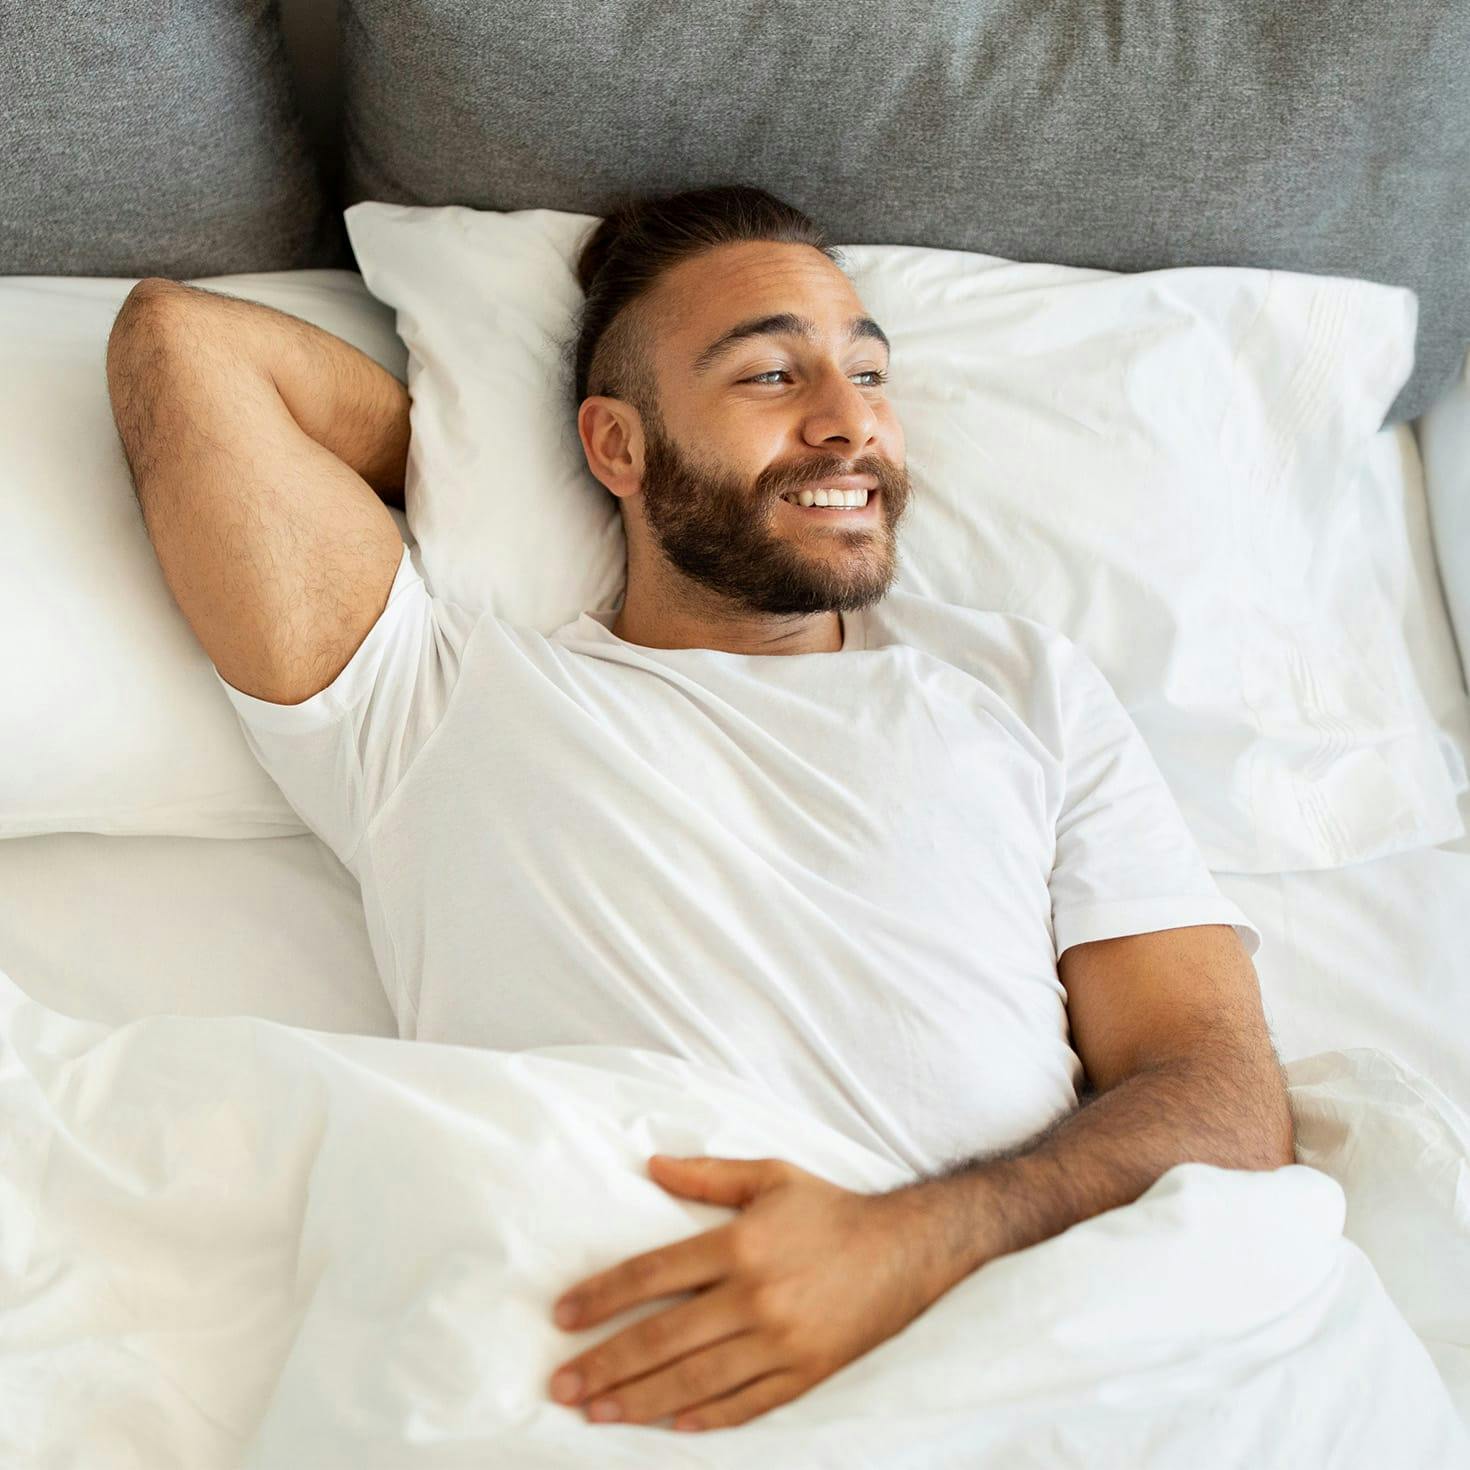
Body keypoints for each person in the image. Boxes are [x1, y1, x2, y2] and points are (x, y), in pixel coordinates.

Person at [106, 183, 1294, 1437]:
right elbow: (181, 343)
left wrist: (909, 1246)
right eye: (771, 378)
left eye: (869, 373)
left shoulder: (1020, 687)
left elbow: (1219, 1089)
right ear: (615, 446)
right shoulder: (435, 702)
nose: (852, 426)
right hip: (625, 1369)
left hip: (1051, 1341)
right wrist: (480, 474)